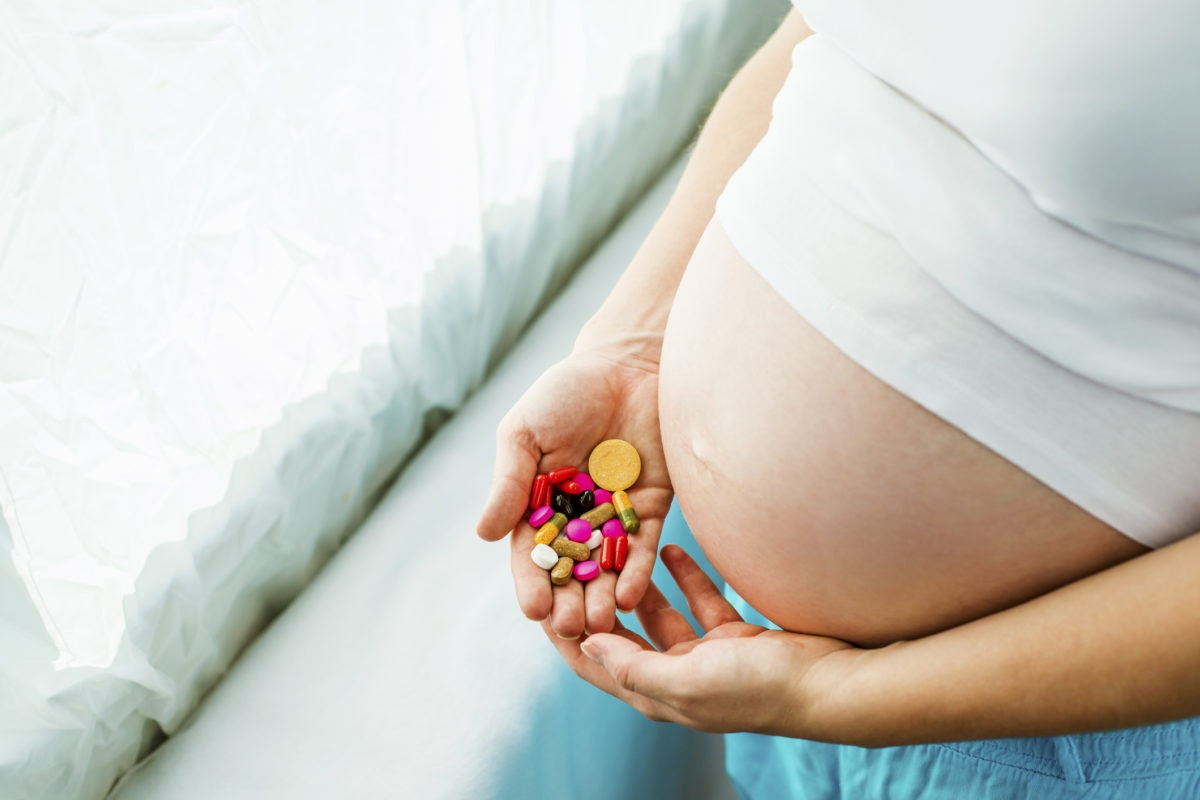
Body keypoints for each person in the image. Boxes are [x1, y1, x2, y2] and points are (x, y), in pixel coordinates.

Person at [478, 3, 1200, 796]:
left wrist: (840, 694)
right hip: (801, 683)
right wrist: (634, 347)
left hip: (1060, 721)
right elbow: (837, 40)